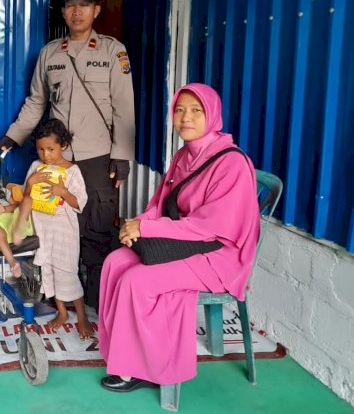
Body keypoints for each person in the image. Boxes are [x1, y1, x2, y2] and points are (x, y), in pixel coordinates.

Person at [97, 83, 260, 392]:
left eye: (196, 111)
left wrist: (146, 230)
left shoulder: (232, 163)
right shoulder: (185, 154)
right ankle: (121, 354)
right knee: (115, 262)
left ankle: (145, 369)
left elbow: (209, 228)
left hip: (219, 255)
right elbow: (161, 204)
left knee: (138, 280)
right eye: (180, 110)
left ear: (212, 115)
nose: (186, 118)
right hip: (187, 240)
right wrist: (137, 224)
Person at [0, 0, 135, 308]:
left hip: (98, 156)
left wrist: (122, 155)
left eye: (84, 5)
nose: (77, 11)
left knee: (97, 225)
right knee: (53, 223)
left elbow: (124, 105)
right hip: (56, 159)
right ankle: (59, 293)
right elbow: (36, 102)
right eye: (71, 5)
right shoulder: (49, 54)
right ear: (63, 11)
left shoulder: (112, 51)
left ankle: (95, 297)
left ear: (96, 10)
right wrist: (13, 135)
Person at [18, 119, 92, 338]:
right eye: (41, 149)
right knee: (48, 270)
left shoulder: (72, 171)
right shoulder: (35, 168)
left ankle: (82, 317)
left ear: (64, 146)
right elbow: (25, 198)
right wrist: (31, 183)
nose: (46, 155)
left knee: (67, 272)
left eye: (51, 149)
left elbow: (80, 202)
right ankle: (61, 312)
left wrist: (63, 192)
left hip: (64, 231)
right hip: (42, 229)